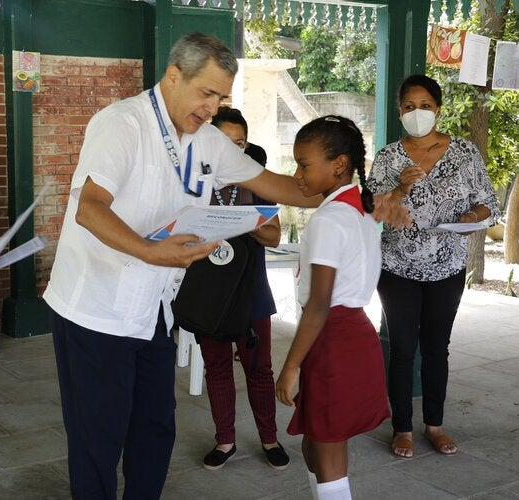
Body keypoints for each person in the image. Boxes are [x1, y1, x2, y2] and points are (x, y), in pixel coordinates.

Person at [42, 32, 337, 499]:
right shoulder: (122, 124)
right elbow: (90, 209)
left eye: (221, 97)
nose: (213, 107)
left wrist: (351, 191)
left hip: (154, 311)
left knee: (156, 430)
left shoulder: (207, 141)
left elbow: (278, 185)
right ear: (173, 75)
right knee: (97, 439)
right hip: (95, 311)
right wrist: (151, 251)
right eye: (207, 93)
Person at [366, 74, 500, 459]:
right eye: (409, 107)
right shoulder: (390, 157)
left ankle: (435, 426)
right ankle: (402, 429)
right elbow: (373, 209)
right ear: (399, 112)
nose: (417, 113)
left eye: (424, 106)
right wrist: (401, 189)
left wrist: (471, 214)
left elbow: (487, 201)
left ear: (438, 109)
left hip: (447, 265)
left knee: (437, 348)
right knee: (403, 348)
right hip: (397, 266)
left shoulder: (465, 153)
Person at [276, 115, 390, 500]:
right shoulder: (359, 211)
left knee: (326, 446)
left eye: (304, 164)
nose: (297, 175)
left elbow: (320, 303)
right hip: (354, 332)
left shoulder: (329, 219)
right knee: (319, 438)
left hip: (333, 338)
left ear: (339, 164)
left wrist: (290, 366)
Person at [198, 106, 289, 472]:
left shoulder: (256, 181)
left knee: (259, 368)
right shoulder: (195, 183)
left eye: (240, 143)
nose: (233, 150)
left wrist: (247, 222)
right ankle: (225, 440)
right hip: (210, 293)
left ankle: (270, 438)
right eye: (224, 142)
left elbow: (274, 235)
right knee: (217, 368)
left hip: (251, 291)